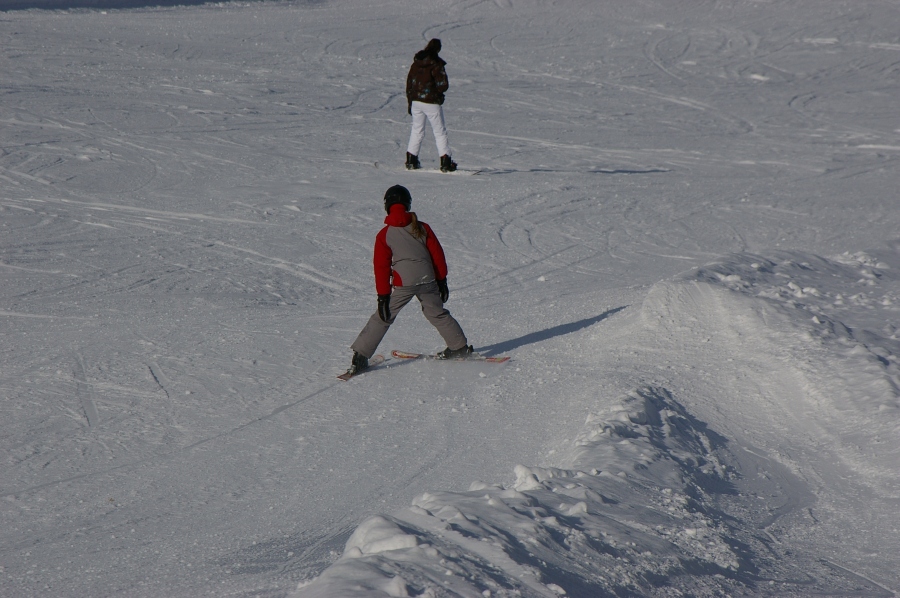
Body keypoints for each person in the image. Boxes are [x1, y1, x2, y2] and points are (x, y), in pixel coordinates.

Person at [348, 185, 472, 374]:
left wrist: (383, 296)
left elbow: (381, 268)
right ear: (408, 203)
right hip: (427, 279)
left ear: (387, 205)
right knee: (437, 313)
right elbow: (437, 255)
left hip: (404, 283)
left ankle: (360, 356)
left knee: (384, 316)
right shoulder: (422, 227)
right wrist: (442, 280)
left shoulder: (384, 235)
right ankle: (459, 347)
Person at [405, 38, 457, 173]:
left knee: (417, 130)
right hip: (431, 102)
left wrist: (410, 102)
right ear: (438, 49)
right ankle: (445, 162)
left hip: (416, 101)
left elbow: (409, 83)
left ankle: (411, 159)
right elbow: (443, 85)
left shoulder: (416, 63)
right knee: (439, 132)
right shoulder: (436, 64)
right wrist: (437, 92)